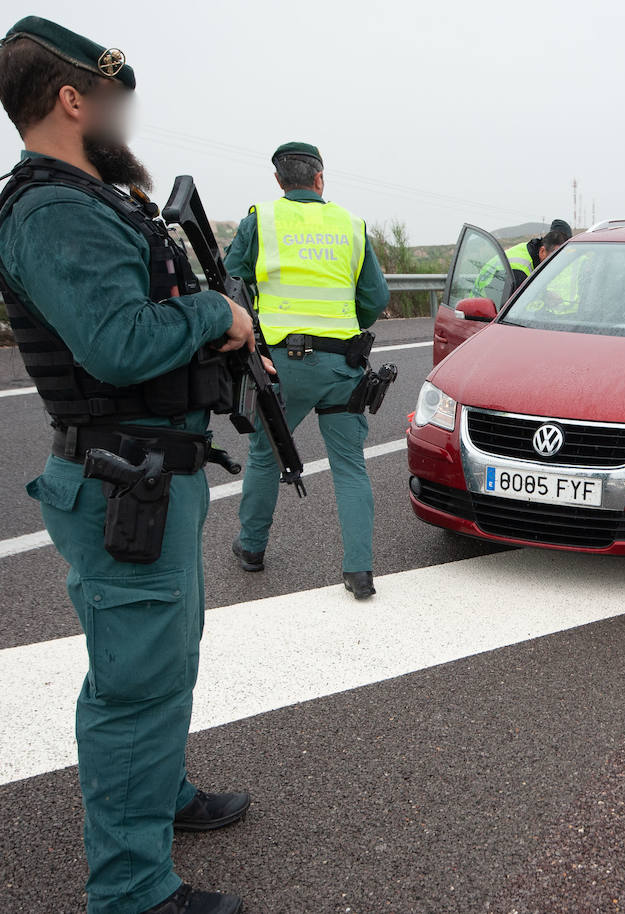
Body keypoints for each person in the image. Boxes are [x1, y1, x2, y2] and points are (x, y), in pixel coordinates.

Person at [0, 17, 250, 913]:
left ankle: (160, 795)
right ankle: (133, 890)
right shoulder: (53, 208)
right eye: (114, 98)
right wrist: (215, 315)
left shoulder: (86, 198)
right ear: (74, 99)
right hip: (123, 480)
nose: (124, 116)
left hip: (150, 472)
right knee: (131, 686)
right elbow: (113, 343)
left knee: (161, 661)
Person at [224, 142, 390, 599]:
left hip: (284, 365)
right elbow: (375, 299)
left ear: (280, 181)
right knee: (350, 466)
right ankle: (359, 572)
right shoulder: (352, 225)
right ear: (320, 179)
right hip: (344, 365)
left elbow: (231, 283)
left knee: (265, 454)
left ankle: (251, 549)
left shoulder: (263, 219)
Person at [474, 218, 571, 299]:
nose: (557, 262)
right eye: (555, 257)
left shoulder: (533, 253)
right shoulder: (519, 269)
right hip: (479, 316)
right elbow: (514, 310)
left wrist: (546, 296)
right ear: (542, 251)